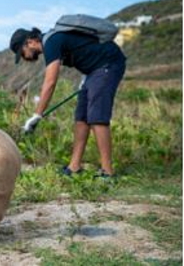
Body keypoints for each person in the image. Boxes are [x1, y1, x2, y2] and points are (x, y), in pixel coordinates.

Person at [9, 25, 126, 178]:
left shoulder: (51, 42)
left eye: (22, 52)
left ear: (30, 42)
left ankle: (107, 172)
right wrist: (87, 77)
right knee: (81, 118)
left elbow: (50, 82)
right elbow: (85, 52)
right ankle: (74, 166)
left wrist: (37, 115)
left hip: (108, 65)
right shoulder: (52, 42)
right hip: (93, 72)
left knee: (97, 117)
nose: (24, 57)